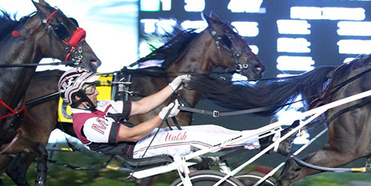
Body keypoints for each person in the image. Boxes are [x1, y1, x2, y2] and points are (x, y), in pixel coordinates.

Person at [58, 67, 259, 159]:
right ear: (77, 97)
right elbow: (132, 134)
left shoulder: (100, 106)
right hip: (137, 148)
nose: (95, 92)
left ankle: (256, 139)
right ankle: (260, 141)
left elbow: (143, 106)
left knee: (210, 128)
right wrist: (163, 116)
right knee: (196, 137)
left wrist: (174, 85)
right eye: (90, 89)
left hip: (147, 138)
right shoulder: (87, 124)